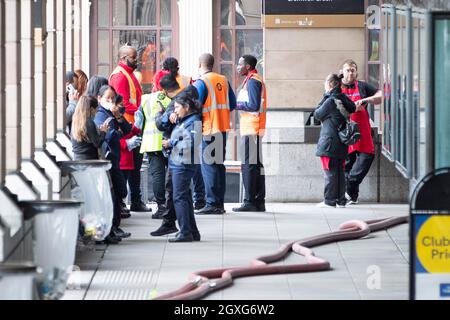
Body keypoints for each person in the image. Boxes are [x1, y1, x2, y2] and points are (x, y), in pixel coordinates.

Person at [193, 53, 237, 215]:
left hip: (208, 129)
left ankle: (212, 203)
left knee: (209, 168)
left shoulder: (201, 82)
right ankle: (219, 203)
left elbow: (194, 109)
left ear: (199, 64)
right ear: (213, 64)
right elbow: (232, 104)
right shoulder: (224, 80)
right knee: (219, 167)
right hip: (222, 129)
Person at [109, 45, 150, 212]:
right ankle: (125, 203)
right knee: (127, 167)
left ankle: (134, 201)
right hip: (127, 128)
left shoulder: (128, 74)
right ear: (124, 58)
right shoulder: (120, 76)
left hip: (133, 126)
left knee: (135, 166)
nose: (137, 60)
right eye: (134, 58)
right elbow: (124, 104)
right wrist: (143, 111)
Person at [94, 85, 132, 244]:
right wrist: (116, 133)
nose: (110, 101)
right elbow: (107, 136)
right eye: (107, 98)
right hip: (108, 159)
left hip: (115, 159)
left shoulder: (113, 113)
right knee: (115, 192)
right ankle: (112, 227)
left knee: (119, 191)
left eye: (112, 98)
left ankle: (115, 226)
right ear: (99, 99)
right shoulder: (100, 115)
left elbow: (128, 129)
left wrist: (119, 118)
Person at [341, 60, 383, 205]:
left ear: (356, 72)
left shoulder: (363, 86)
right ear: (342, 71)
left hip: (363, 131)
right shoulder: (337, 87)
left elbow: (380, 96)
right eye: (348, 70)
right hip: (345, 131)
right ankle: (352, 197)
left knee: (367, 157)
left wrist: (366, 99)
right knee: (347, 165)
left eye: (353, 70)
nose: (350, 73)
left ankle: (349, 190)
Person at [163, 90, 202, 242]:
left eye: (177, 107)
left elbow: (191, 143)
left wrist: (171, 143)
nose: (175, 110)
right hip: (179, 161)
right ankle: (192, 231)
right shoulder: (185, 120)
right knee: (184, 197)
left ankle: (185, 232)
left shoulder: (194, 121)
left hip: (183, 163)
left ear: (187, 107)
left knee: (179, 197)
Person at [314, 74, 356, 208]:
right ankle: (341, 200)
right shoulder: (344, 99)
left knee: (330, 172)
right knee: (339, 171)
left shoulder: (330, 100)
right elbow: (353, 108)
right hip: (342, 143)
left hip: (329, 142)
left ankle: (329, 201)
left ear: (330, 85)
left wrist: (326, 95)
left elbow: (317, 114)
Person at [136, 73, 173, 219]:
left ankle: (161, 207)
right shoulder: (170, 100)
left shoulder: (145, 99)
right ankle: (172, 206)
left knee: (157, 176)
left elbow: (138, 123)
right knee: (172, 175)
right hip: (168, 142)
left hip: (151, 143)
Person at [232, 55, 267, 212]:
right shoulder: (252, 80)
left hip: (251, 129)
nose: (237, 67)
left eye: (240, 64)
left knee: (249, 166)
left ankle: (250, 201)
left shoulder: (253, 81)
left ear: (247, 66)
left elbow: (253, 105)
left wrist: (236, 104)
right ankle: (259, 201)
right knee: (256, 165)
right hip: (253, 128)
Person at [116, 94, 142, 219]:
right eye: (120, 104)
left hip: (127, 158)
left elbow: (129, 131)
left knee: (123, 185)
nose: (122, 107)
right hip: (122, 159)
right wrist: (126, 143)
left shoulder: (121, 118)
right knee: (121, 188)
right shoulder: (114, 120)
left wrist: (137, 127)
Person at [71, 96, 108, 160]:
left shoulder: (76, 121)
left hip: (77, 158)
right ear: (91, 109)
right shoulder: (89, 122)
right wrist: (103, 131)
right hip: (89, 160)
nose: (96, 112)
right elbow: (97, 143)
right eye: (96, 109)